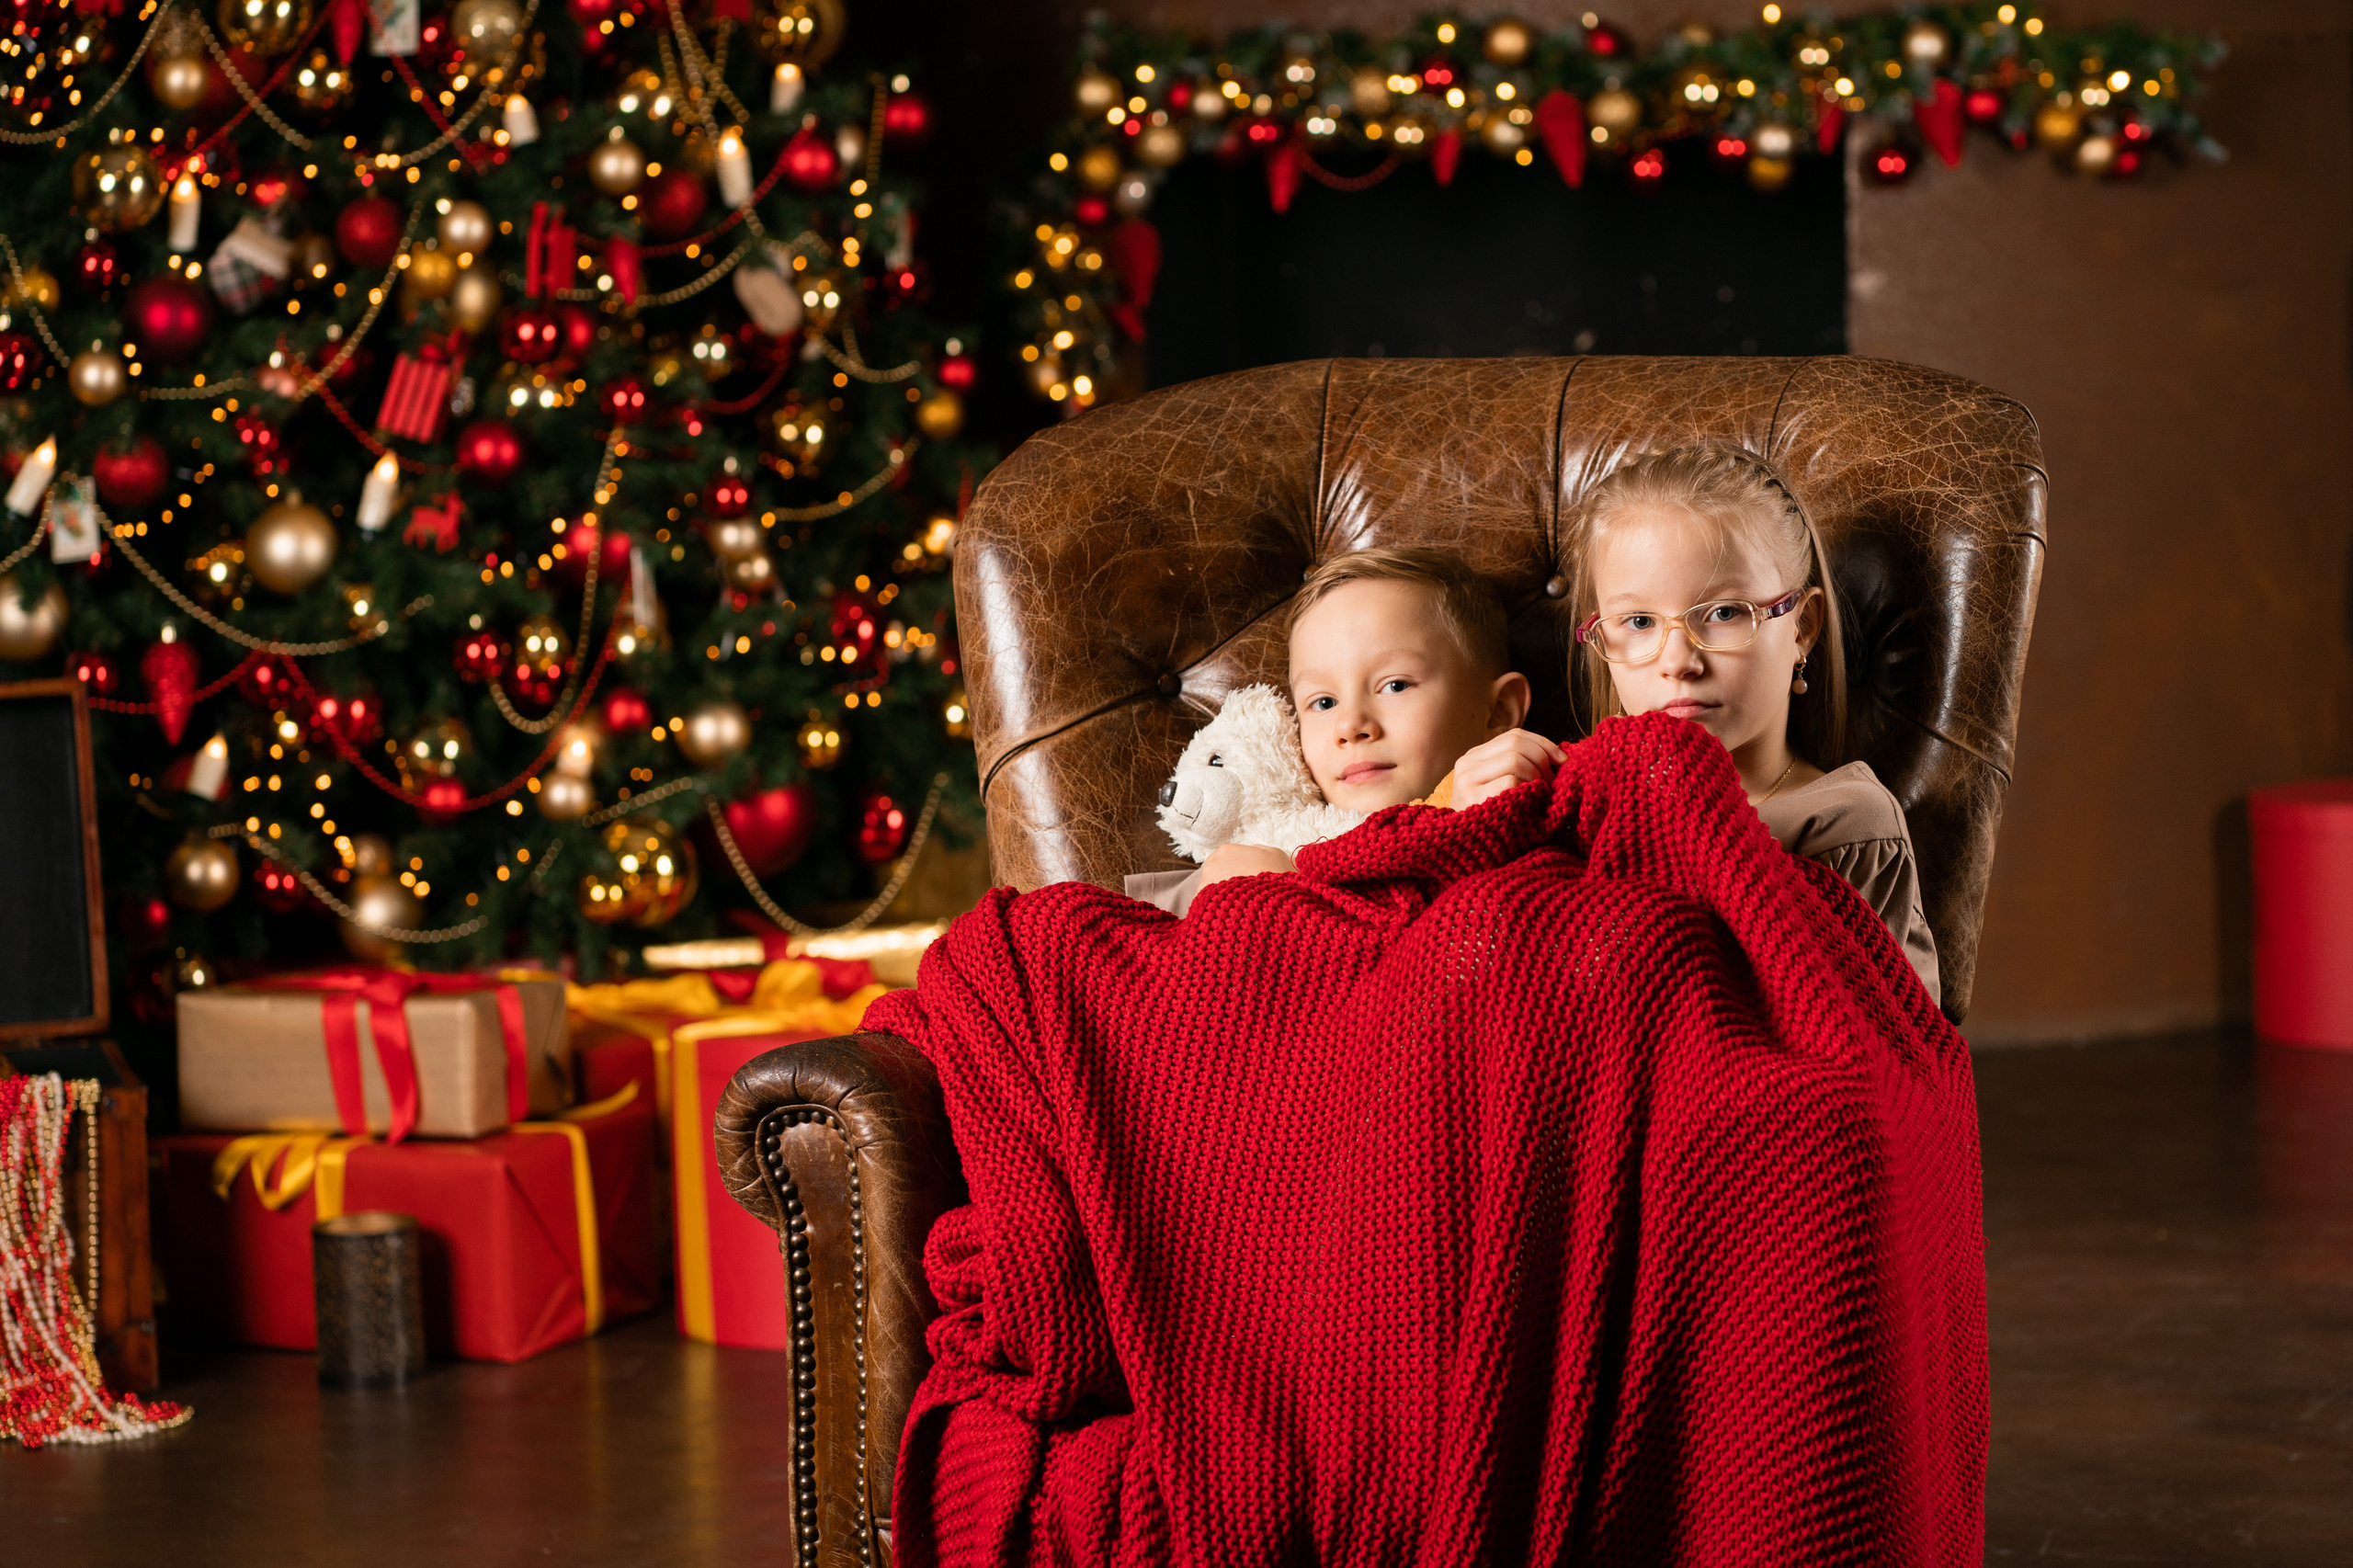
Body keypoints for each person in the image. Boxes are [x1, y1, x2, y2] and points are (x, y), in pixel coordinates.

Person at [1450, 443, 1939, 996]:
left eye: (1725, 613)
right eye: (1638, 621)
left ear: (1801, 628)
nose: (1678, 661)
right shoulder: (1567, 804)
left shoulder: (1845, 825)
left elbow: (1882, 1043)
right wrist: (1478, 844)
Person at [1125, 546, 1528, 915]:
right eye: (1324, 703)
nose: (1350, 727)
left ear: (1498, 710)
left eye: (1395, 685)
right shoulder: (1239, 866)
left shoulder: (1527, 824)